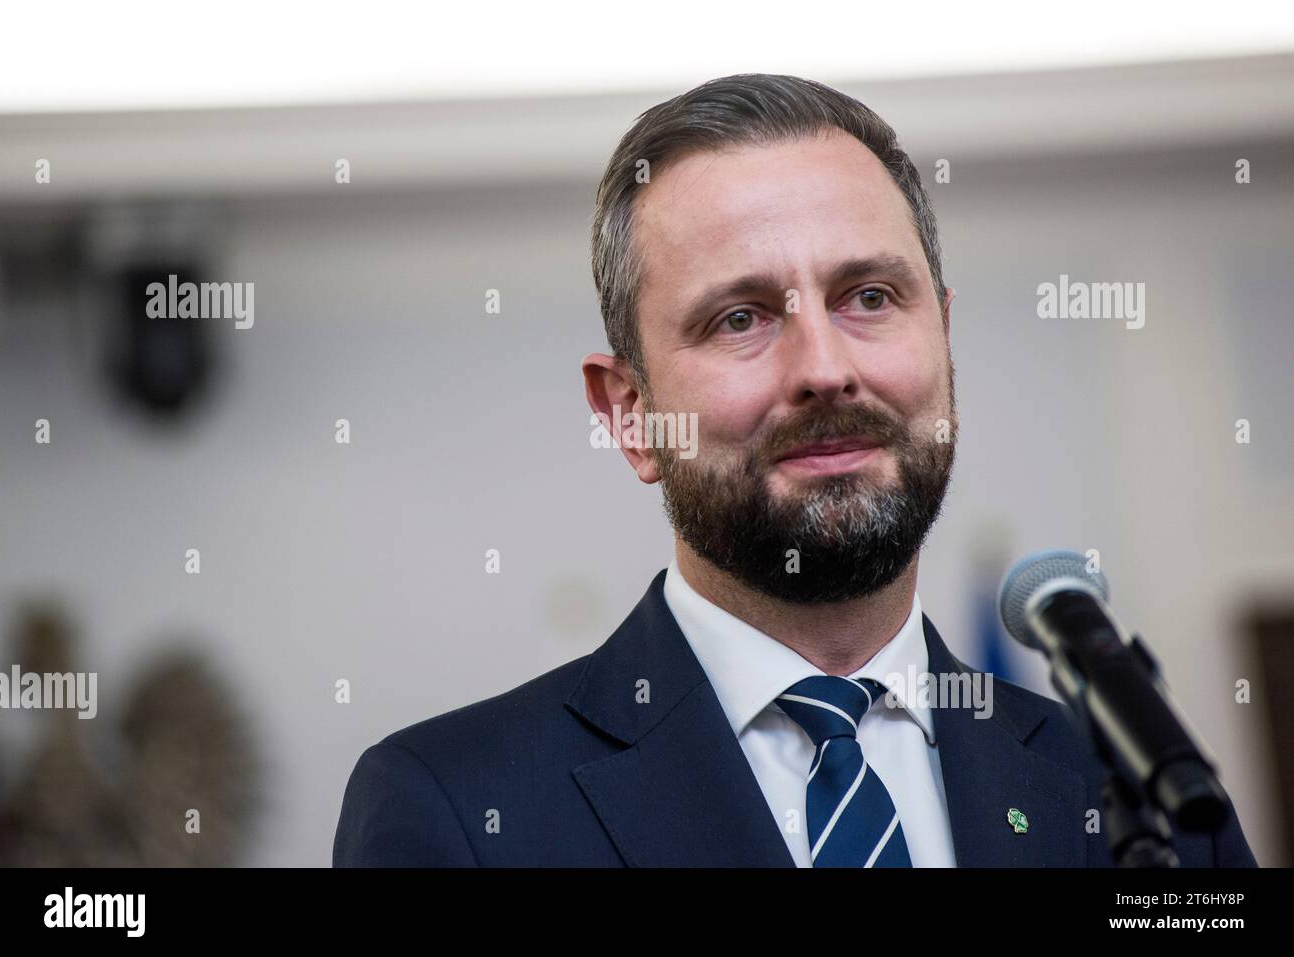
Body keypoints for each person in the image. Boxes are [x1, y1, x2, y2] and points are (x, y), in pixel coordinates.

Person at [333, 73, 1257, 867]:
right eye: (740, 317)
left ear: (944, 342)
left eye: (868, 297)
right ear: (630, 415)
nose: (823, 368)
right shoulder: (455, 810)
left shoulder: (1148, 798)